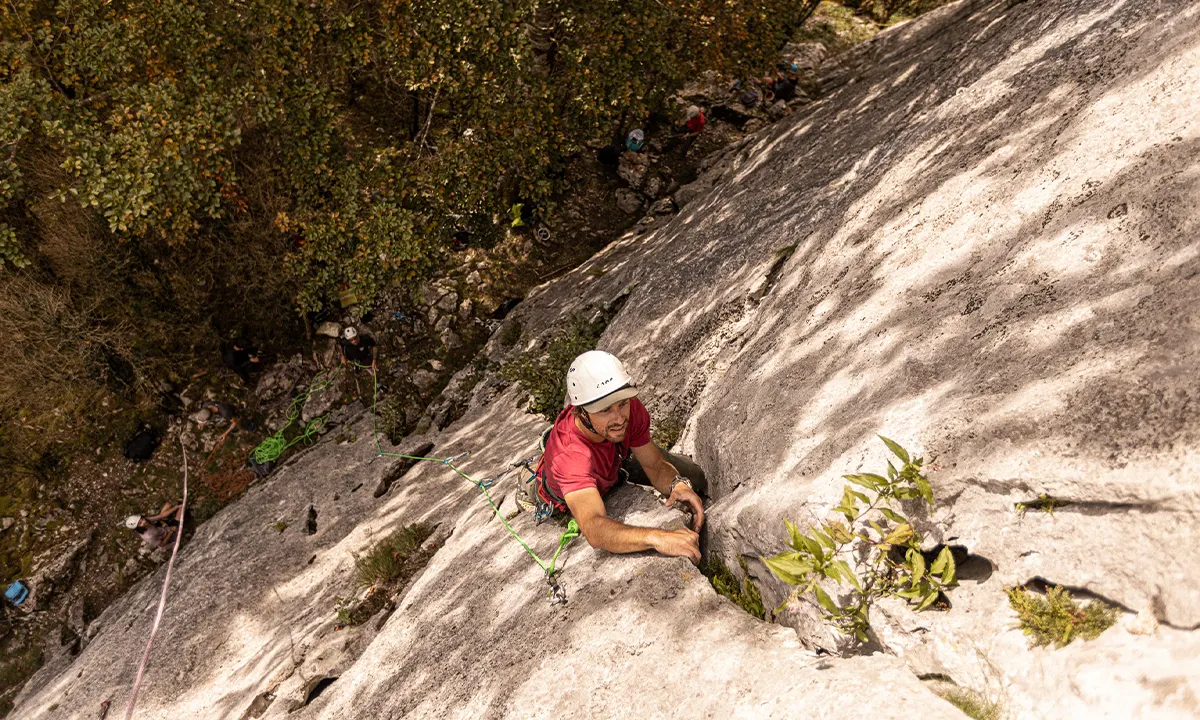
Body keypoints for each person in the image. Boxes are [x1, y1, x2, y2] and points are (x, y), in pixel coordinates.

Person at [520, 351, 707, 564]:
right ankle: (529, 483)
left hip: (615, 457)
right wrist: (658, 537)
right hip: (571, 483)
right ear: (580, 413)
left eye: (621, 404)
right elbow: (595, 528)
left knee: (694, 475)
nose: (619, 418)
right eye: (605, 410)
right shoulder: (571, 457)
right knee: (567, 481)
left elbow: (654, 465)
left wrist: (677, 485)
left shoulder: (628, 409)